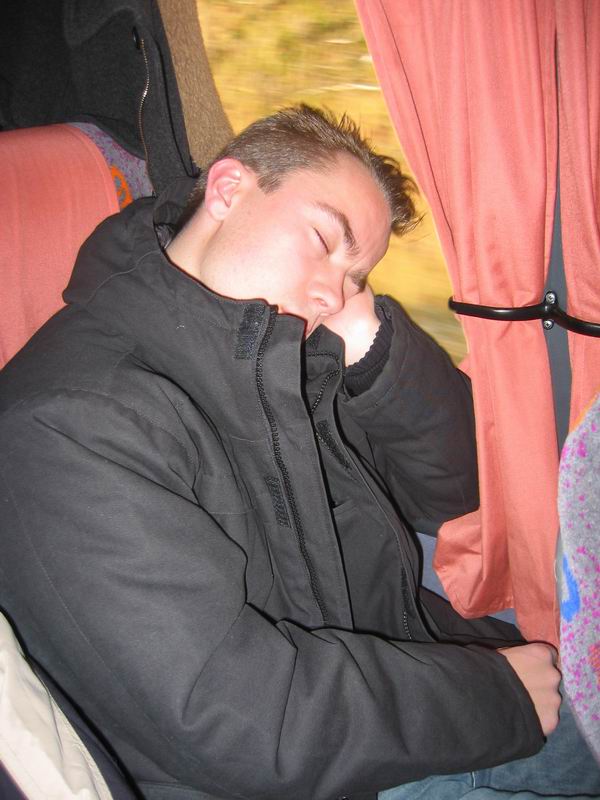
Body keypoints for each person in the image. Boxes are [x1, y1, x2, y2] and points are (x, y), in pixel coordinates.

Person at [0, 106, 597, 800]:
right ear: (228, 190)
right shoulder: (66, 423)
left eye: (357, 274)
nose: (332, 292)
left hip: (397, 671)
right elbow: (233, 718)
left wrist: (371, 341)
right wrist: (495, 697)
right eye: (323, 240)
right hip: (313, 767)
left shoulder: (278, 350)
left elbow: (454, 495)